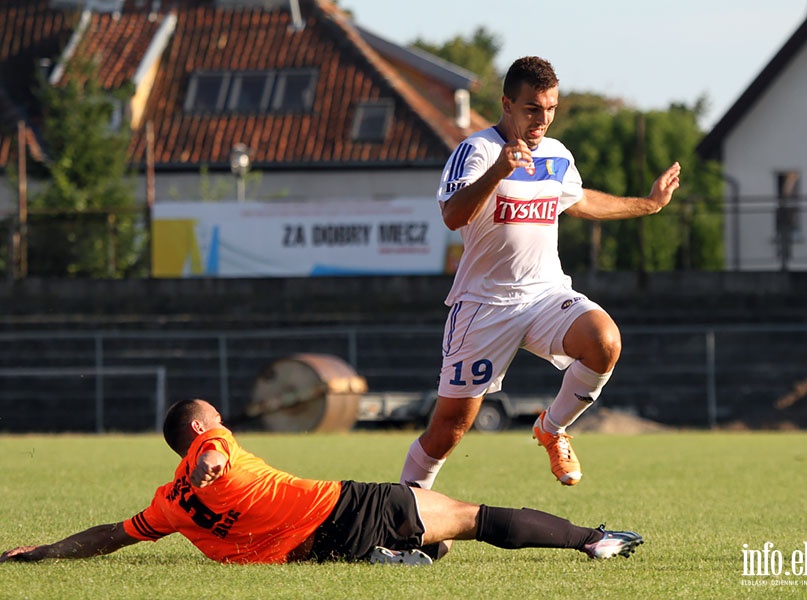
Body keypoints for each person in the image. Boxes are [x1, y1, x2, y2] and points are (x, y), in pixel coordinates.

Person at [400, 56, 681, 489]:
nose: (543, 119)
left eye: (550, 109)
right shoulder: (476, 150)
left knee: (604, 341)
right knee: (449, 430)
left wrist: (649, 204)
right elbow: (453, 216)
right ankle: (402, 512)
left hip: (545, 295)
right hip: (484, 306)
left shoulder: (556, 154)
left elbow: (582, 200)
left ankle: (551, 428)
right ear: (507, 103)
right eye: (533, 108)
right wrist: (499, 170)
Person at [0, 399, 642, 566]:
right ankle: (593, 539)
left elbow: (112, 535)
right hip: (344, 505)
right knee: (470, 519)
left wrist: (46, 551)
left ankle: (392, 557)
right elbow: (214, 456)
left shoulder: (167, 507)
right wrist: (210, 459)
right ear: (199, 428)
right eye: (214, 421)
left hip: (312, 548)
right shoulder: (210, 442)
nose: (221, 427)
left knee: (434, 540)